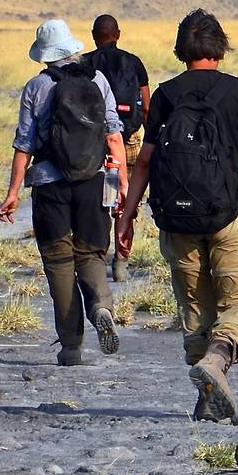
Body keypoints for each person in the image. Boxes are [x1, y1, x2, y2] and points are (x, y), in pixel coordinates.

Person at [116, 9, 238, 422]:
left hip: (176, 219)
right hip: (227, 215)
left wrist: (128, 216)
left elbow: (145, 162)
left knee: (194, 307)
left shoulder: (167, 95)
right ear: (221, 47)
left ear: (181, 50)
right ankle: (218, 359)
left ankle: (206, 398)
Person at [0, 19, 125, 366]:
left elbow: (24, 144)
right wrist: (123, 182)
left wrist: (12, 193)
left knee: (58, 262)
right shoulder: (97, 79)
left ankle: (71, 346)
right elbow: (113, 134)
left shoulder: (35, 87)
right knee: (92, 254)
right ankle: (101, 305)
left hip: (48, 184)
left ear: (45, 56)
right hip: (94, 181)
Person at [89, 14, 151, 281]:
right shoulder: (134, 62)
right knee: (127, 200)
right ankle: (122, 261)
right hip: (130, 138)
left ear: (94, 36)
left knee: (97, 199)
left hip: (94, 141)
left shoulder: (85, 63)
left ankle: (97, 257)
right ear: (118, 34)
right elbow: (147, 106)